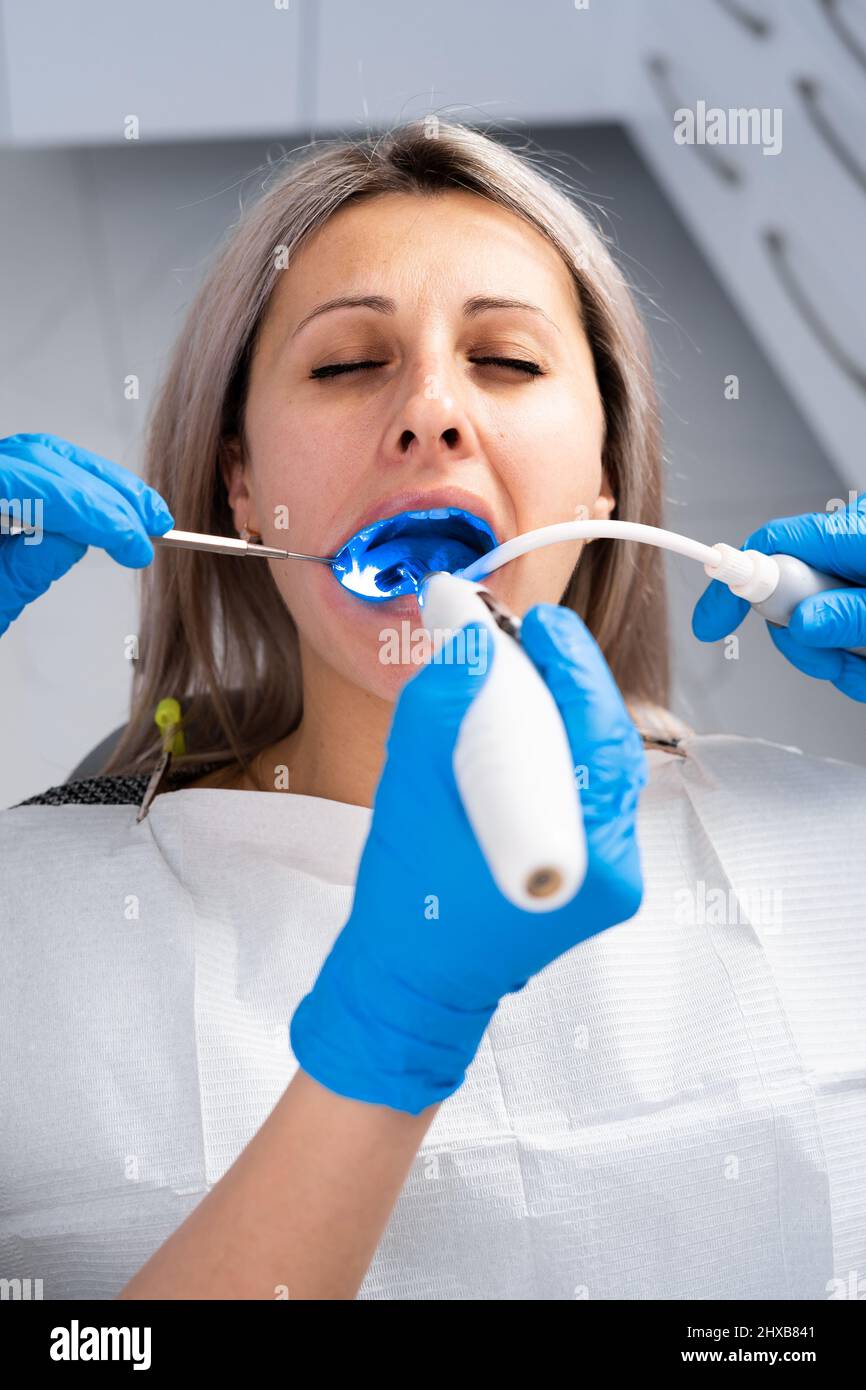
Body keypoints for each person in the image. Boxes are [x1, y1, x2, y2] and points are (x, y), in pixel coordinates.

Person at [1, 120, 864, 1302]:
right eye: (347, 364)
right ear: (241, 486)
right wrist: (386, 1040)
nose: (430, 412)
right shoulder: (27, 933)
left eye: (506, 362)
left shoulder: (827, 852)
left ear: (604, 473)